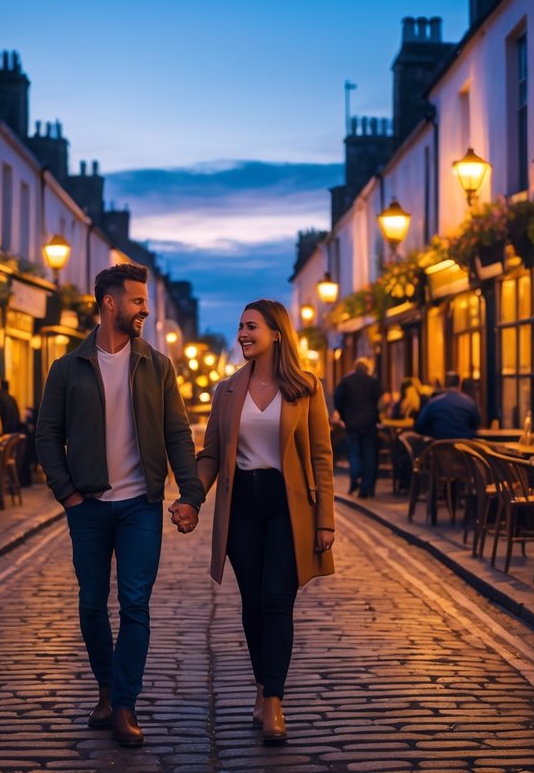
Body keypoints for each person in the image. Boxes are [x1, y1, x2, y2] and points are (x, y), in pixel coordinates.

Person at [37, 263, 205, 749]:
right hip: (87, 505)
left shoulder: (157, 365)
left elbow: (178, 433)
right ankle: (106, 690)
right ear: (110, 303)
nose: (145, 309)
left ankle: (126, 703)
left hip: (140, 506)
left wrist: (190, 495)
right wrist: (66, 492)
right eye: (136, 301)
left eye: (146, 301)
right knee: (92, 603)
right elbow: (47, 435)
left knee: (134, 604)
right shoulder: (68, 368)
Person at [190, 299, 335, 745]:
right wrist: (191, 500)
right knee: (252, 602)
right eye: (239, 327)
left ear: (276, 333)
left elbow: (321, 457)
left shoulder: (306, 387)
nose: (242, 334)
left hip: (289, 507)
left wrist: (325, 520)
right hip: (242, 509)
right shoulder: (227, 390)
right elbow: (211, 454)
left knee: (277, 599)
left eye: (251, 327)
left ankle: (273, 699)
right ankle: (261, 687)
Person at [332, 357, 383, 498]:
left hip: (352, 423)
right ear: (366, 369)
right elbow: (380, 402)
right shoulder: (372, 382)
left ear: (355, 367)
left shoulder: (346, 381)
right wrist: (376, 416)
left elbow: (337, 398)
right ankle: (366, 488)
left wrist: (343, 415)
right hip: (369, 423)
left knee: (354, 453)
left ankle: (355, 480)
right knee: (369, 455)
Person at [414, 371, 481, 440]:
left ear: (444, 385)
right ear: (459, 385)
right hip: (465, 447)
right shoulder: (469, 402)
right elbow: (476, 424)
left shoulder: (433, 402)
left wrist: (433, 432)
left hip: (440, 447)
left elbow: (419, 427)